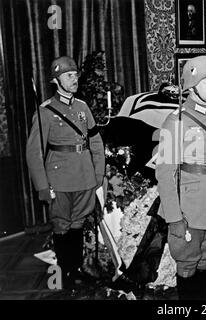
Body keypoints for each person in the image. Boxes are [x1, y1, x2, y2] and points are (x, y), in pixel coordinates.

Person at [155, 55, 206, 300]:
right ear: (192, 86)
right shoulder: (176, 121)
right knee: (188, 265)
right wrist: (174, 217)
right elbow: (165, 174)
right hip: (190, 210)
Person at [26, 56, 105, 289]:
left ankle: (77, 269)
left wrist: (98, 174)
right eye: (68, 76)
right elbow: (34, 153)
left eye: (75, 75)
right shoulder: (45, 112)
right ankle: (65, 275)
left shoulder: (82, 107)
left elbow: (96, 142)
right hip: (59, 179)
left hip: (84, 176)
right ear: (55, 80)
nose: (74, 79)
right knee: (62, 226)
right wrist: (42, 186)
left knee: (78, 224)